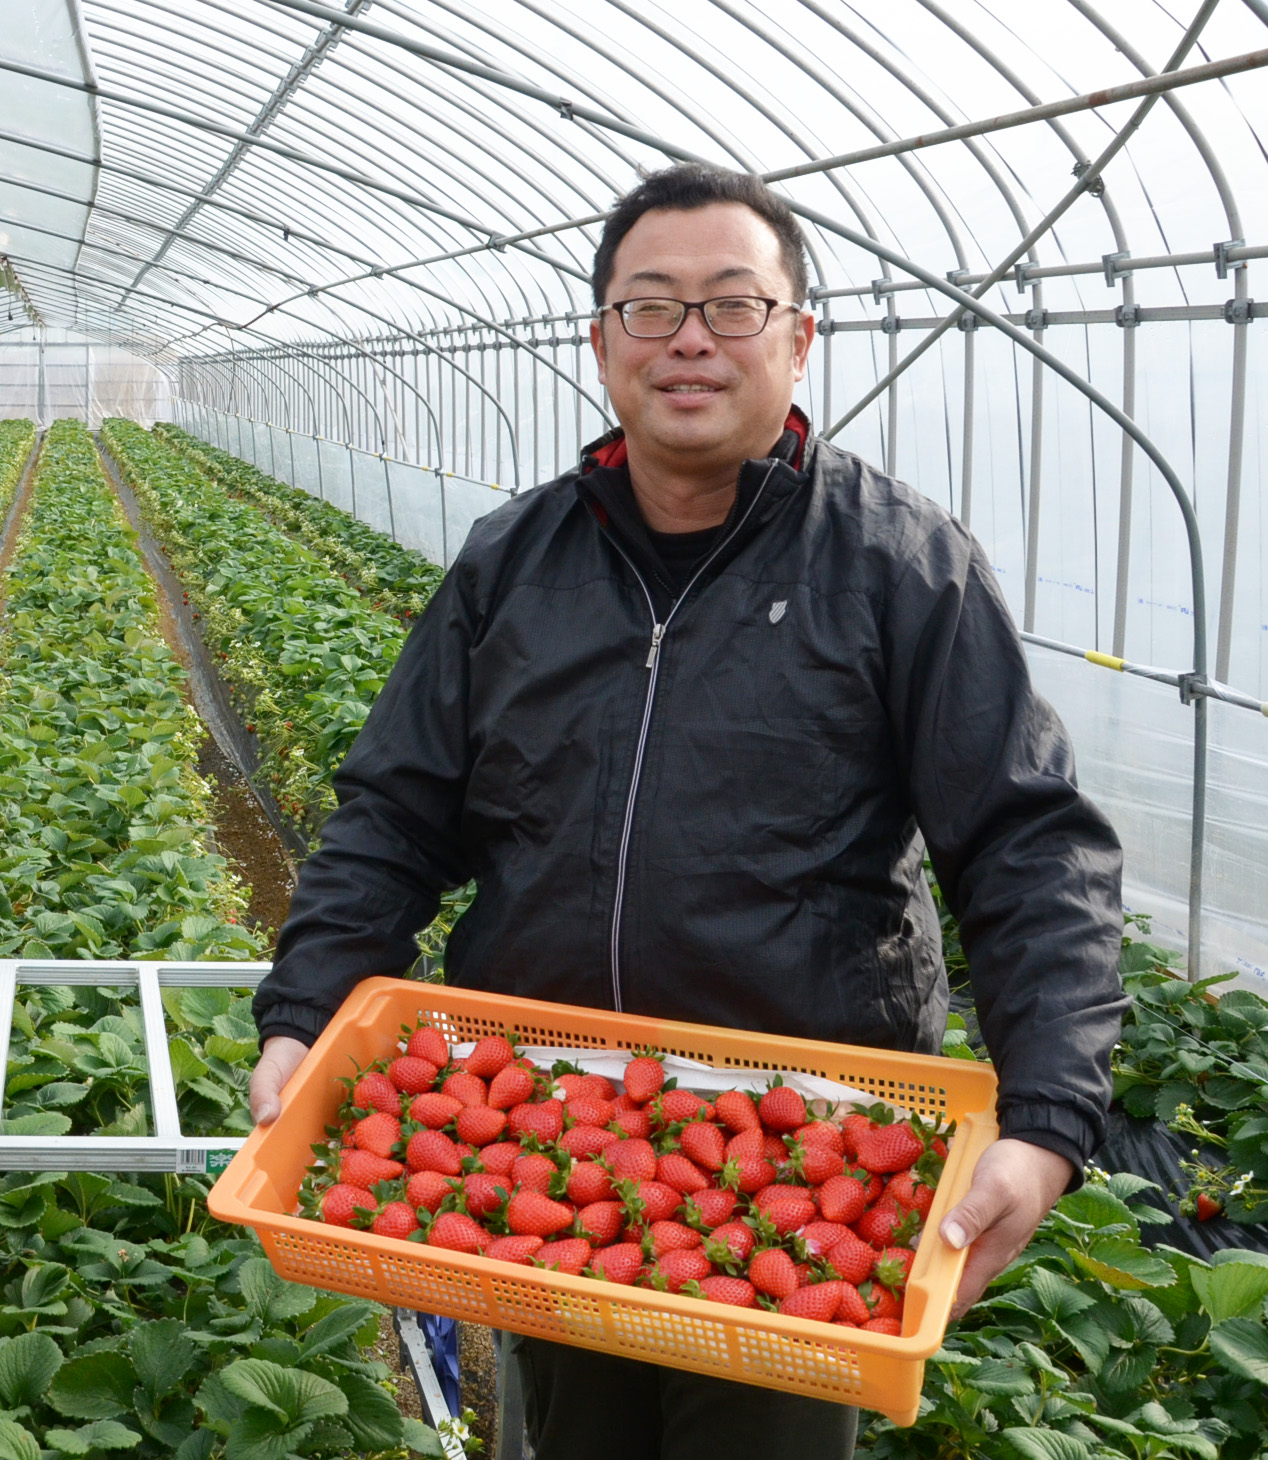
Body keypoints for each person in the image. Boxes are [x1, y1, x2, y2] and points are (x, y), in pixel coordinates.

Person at [248, 164, 1127, 1459]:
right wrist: (307, 1016)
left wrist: (1049, 1116)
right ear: (602, 340)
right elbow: (395, 811)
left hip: (798, 1152)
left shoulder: (896, 565)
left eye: (732, 304)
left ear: (799, 337)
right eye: (652, 308)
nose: (691, 340)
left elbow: (1026, 838)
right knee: (559, 1436)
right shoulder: (515, 561)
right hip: (546, 1118)